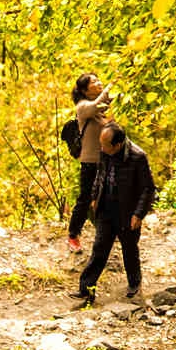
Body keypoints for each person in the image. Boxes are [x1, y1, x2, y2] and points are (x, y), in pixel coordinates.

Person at [70, 122, 156, 305]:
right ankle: (86, 289)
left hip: (127, 211)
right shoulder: (105, 151)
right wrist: (95, 196)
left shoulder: (137, 157)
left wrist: (138, 214)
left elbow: (148, 189)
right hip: (106, 209)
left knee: (129, 250)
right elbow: (100, 174)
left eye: (105, 145)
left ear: (117, 145)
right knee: (99, 249)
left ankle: (134, 284)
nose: (101, 148)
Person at [65, 73, 107, 254]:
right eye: (94, 82)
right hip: (90, 162)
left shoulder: (103, 108)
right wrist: (113, 84)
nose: (98, 83)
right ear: (84, 90)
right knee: (85, 199)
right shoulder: (83, 107)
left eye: (99, 80)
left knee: (106, 198)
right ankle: (73, 235)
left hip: (107, 160)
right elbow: (96, 105)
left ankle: (105, 234)